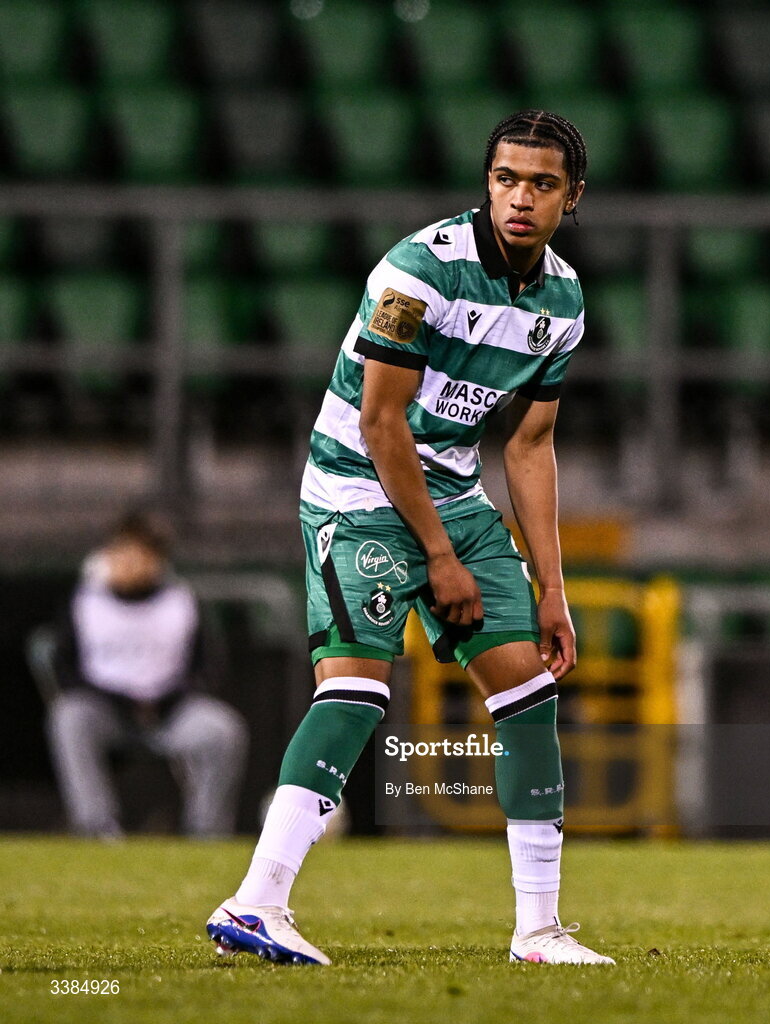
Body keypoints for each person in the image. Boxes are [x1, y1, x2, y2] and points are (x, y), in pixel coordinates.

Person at [207, 110, 615, 965]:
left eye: (541, 184)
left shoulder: (564, 301)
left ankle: (537, 932)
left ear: (571, 196)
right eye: (505, 178)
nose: (518, 198)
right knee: (357, 692)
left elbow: (531, 446)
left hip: (454, 494)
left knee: (529, 694)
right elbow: (381, 420)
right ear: (486, 181)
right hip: (356, 487)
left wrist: (552, 588)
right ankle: (255, 902)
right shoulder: (416, 270)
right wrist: (437, 558)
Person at [46, 512, 248, 838]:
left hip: (169, 713)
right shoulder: (85, 601)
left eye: (139, 555)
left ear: (157, 560)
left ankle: (206, 831)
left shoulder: (181, 601)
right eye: (121, 553)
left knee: (223, 731)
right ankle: (97, 825)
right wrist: (117, 699)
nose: (128, 563)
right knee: (69, 717)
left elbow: (207, 667)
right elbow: (64, 668)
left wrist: (168, 698)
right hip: (107, 713)